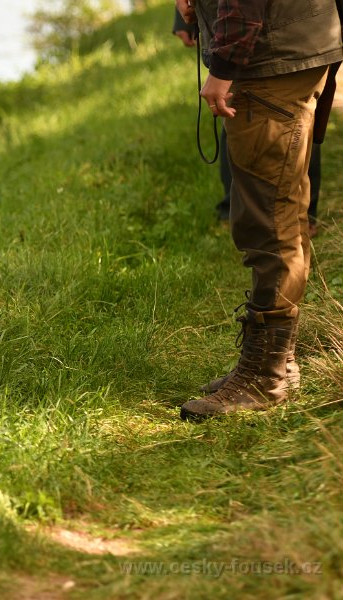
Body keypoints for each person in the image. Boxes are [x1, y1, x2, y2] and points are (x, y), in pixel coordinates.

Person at [176, 0, 342, 420]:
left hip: (267, 59)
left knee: (267, 223)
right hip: (288, 46)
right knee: (284, 211)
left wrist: (224, 67)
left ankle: (263, 377)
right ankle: (278, 362)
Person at [172, 7, 325, 235]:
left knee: (270, 226)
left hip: (270, 51)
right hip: (284, 42)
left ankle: (298, 217)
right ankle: (240, 207)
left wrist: (223, 68)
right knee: (280, 217)